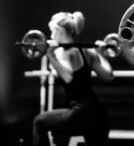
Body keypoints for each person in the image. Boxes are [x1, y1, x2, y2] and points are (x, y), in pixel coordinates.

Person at [32, 11, 114, 146]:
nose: (51, 36)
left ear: (60, 31)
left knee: (39, 122)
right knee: (58, 129)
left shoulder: (62, 52)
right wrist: (101, 55)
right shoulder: (88, 51)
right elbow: (109, 76)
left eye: (52, 31)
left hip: (80, 113)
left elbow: (68, 77)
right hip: (98, 115)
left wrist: (50, 55)